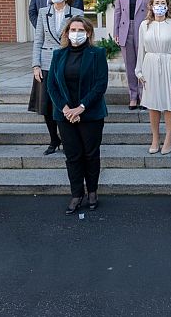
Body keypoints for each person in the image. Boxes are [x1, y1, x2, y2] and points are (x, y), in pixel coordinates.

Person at [46, 17, 108, 215]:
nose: (76, 33)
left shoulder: (97, 53)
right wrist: (65, 109)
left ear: (88, 33)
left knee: (91, 154)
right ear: (67, 33)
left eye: (81, 29)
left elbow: (100, 84)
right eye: (73, 29)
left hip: (90, 113)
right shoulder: (58, 54)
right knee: (72, 155)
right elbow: (51, 85)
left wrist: (81, 108)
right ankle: (76, 193)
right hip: (64, 115)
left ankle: (92, 192)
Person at [30, 0, 83, 155]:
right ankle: (54, 139)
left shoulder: (76, 13)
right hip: (46, 61)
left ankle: (69, 139)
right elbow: (38, 40)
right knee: (47, 104)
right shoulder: (44, 12)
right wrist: (36, 65)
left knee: (65, 101)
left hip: (67, 61)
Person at [136, 0, 171, 155]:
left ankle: (169, 137)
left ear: (167, 5)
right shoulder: (144, 25)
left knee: (169, 102)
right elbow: (140, 48)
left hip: (169, 62)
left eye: (163, 2)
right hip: (150, 63)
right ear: (151, 5)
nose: (160, 5)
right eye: (157, 2)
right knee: (153, 103)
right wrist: (139, 70)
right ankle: (155, 138)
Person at [113, 0, 154, 109]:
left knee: (143, 64)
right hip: (125, 30)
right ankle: (133, 96)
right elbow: (117, 12)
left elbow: (152, 13)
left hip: (142, 29)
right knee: (130, 65)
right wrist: (116, 32)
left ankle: (145, 96)